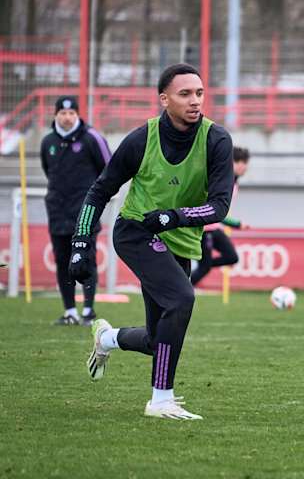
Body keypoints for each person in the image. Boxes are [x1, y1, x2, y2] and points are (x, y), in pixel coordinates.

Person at [72, 63, 234, 420]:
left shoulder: (217, 140)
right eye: (185, 94)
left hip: (177, 237)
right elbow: (99, 191)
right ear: (164, 99)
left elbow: (220, 206)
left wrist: (173, 217)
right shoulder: (140, 139)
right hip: (135, 232)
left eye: (200, 93)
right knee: (182, 298)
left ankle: (107, 339)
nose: (195, 101)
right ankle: (160, 400)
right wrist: (81, 241)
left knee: (156, 338)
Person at [40, 96, 111, 326]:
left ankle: (88, 311)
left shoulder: (92, 138)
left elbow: (109, 169)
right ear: (56, 115)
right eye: (62, 113)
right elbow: (47, 170)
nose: (67, 117)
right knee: (62, 261)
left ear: (78, 114)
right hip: (57, 211)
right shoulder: (47, 141)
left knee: (87, 259)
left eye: (71, 113)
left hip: (85, 212)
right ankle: (70, 311)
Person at [190, 146, 250, 286]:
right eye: (241, 162)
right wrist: (237, 224)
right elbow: (217, 210)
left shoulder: (234, 183)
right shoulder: (223, 180)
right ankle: (182, 290)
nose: (245, 166)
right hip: (205, 229)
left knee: (232, 257)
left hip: (214, 227)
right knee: (204, 268)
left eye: (246, 162)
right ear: (233, 163)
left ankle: (203, 265)